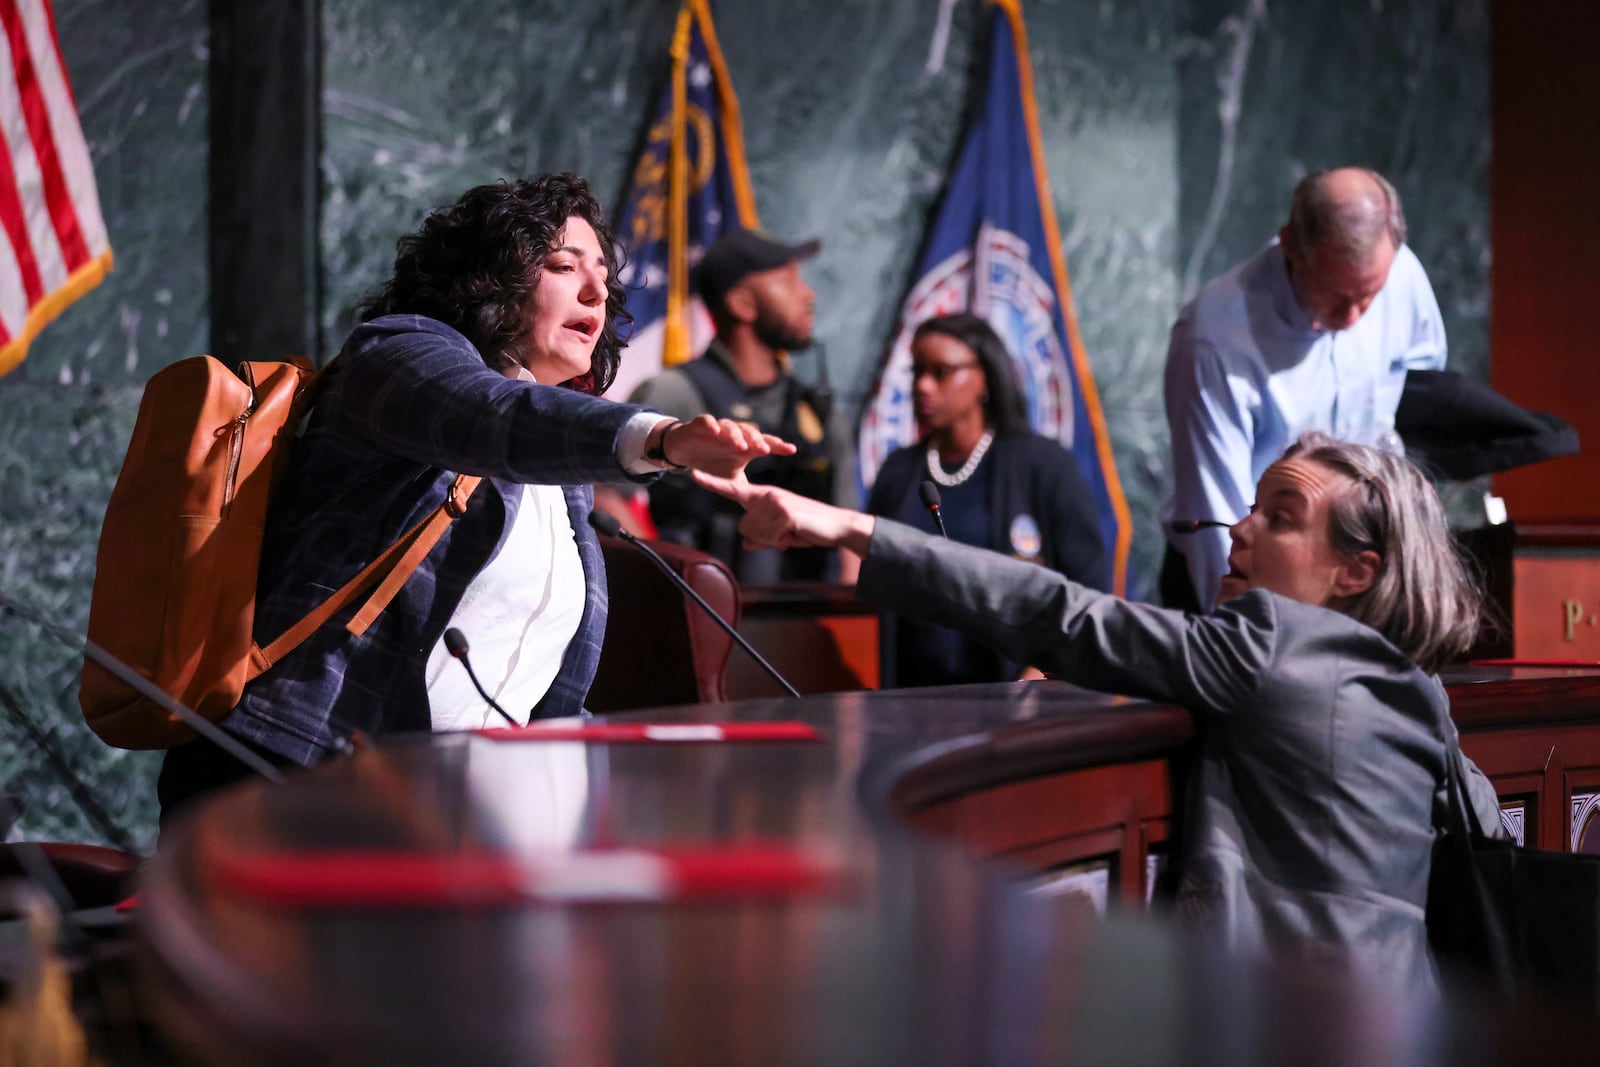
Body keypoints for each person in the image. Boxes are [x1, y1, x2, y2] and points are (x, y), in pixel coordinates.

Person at [696, 432, 1504, 990]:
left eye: (1280, 518)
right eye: (1252, 505)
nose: (1238, 530)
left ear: (1356, 571)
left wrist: (848, 526)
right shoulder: (1419, 689)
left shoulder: (1269, 643)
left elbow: (1058, 611)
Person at [156, 173, 791, 820]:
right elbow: (497, 417)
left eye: (602, 271)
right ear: (491, 278)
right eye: (561, 265)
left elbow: (539, 692)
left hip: (447, 813)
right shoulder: (398, 355)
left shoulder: (561, 471)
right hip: (296, 781)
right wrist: (663, 438)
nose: (597, 290)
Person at [1161, 166, 1447, 611]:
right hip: (1250, 572)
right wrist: (1244, 642)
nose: (1353, 317)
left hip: (1362, 570)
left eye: (1369, 296)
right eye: (1335, 295)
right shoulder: (1217, 338)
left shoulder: (1404, 276)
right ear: (1292, 245)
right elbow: (1219, 523)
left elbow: (1425, 388)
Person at [866, 313, 1106, 687]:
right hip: (909, 699)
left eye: (941, 371)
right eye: (917, 372)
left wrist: (1037, 679)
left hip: (1019, 700)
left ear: (985, 377)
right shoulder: (899, 471)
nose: (924, 386)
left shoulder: (1041, 464)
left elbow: (1090, 589)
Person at [629, 227, 858, 584]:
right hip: (703, 619)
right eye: (789, 278)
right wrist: (663, 585)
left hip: (808, 622)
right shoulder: (675, 393)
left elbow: (848, 530)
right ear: (742, 304)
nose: (808, 294)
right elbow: (606, 497)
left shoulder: (818, 411)